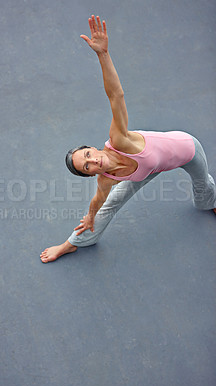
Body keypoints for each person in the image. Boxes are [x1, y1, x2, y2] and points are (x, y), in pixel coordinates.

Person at [40, 15, 216, 263]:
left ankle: (212, 200)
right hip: (149, 169)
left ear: (92, 148)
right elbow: (97, 200)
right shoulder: (105, 179)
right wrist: (90, 216)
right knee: (106, 207)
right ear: (90, 174)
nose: (93, 162)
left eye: (88, 155)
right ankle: (70, 244)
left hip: (187, 150)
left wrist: (103, 54)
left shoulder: (119, 140)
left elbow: (116, 96)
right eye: (86, 167)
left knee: (203, 189)